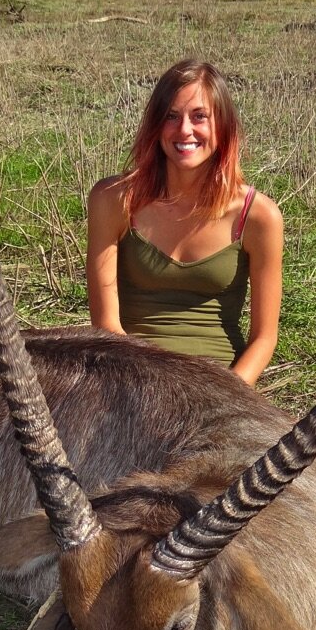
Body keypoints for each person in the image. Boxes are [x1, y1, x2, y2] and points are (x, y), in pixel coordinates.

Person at [86, 60, 283, 387]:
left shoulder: (259, 216)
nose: (185, 131)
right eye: (172, 116)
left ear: (223, 126)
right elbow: (106, 325)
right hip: (129, 377)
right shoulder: (112, 200)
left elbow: (264, 339)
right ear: (155, 125)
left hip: (221, 385)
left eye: (199, 116)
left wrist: (228, 396)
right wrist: (149, 389)